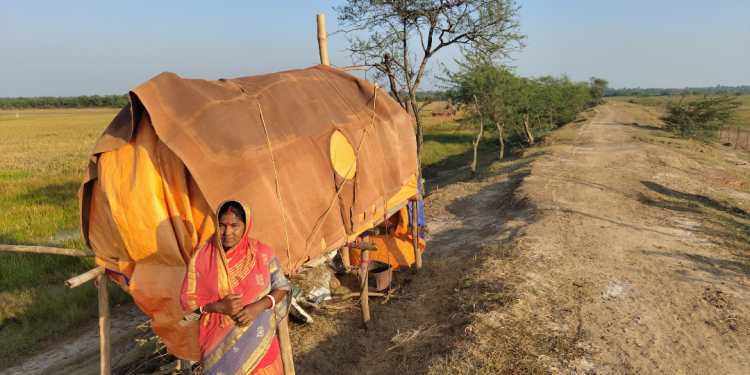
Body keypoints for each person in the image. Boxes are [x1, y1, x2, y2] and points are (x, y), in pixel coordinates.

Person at [181, 200, 291, 375]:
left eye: (234, 225)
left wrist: (259, 307)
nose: (227, 232)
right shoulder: (201, 259)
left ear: (246, 226)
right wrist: (218, 307)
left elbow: (282, 287)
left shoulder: (261, 253)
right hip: (219, 346)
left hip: (260, 342)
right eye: (222, 225)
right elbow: (189, 303)